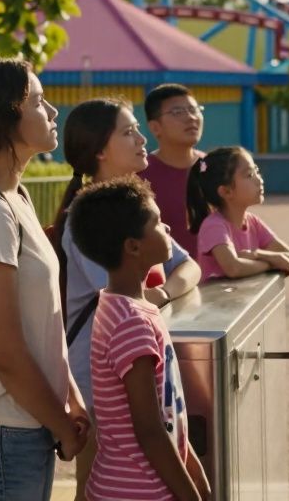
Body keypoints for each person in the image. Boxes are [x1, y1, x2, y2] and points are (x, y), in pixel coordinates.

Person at [0, 58, 90, 500]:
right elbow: (5, 351)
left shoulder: (15, 198)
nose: (53, 112)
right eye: (39, 102)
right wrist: (62, 423)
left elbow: (40, 323)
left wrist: (71, 397)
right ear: (5, 117)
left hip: (23, 422)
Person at [53, 98, 202, 499]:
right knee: (96, 478)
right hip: (100, 378)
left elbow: (189, 267)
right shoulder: (94, 224)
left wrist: (161, 293)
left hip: (135, 364)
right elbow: (125, 281)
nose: (141, 140)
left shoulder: (134, 211)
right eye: (128, 131)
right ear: (100, 149)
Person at [67, 178, 210, 501]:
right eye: (158, 223)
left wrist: (196, 476)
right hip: (139, 491)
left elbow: (168, 415)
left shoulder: (122, 305)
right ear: (133, 246)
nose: (168, 229)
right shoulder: (131, 322)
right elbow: (149, 430)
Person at [186, 147, 289, 282]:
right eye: (249, 175)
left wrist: (258, 254)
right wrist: (272, 263)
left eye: (257, 171)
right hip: (218, 303)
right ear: (226, 192)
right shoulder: (214, 226)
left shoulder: (253, 222)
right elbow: (233, 268)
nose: (259, 180)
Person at [139, 85, 204, 256]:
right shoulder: (140, 176)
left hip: (222, 279)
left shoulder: (216, 167)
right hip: (169, 279)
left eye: (194, 109)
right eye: (177, 112)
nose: (191, 118)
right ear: (155, 127)